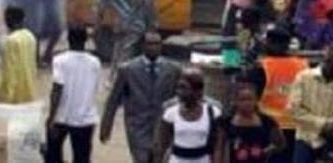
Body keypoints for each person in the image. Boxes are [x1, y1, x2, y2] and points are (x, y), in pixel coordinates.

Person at [101, 32, 182, 163]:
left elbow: (180, 97)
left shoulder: (173, 69)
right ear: (143, 46)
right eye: (150, 44)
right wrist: (106, 125)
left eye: (157, 44)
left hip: (163, 126)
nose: (154, 47)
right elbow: (113, 100)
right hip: (138, 127)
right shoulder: (128, 69)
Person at [47, 25, 102, 163]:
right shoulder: (95, 62)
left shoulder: (59, 60)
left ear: (68, 39)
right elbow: (95, 89)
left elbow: (57, 89)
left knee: (53, 155)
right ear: (86, 40)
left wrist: (51, 117)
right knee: (82, 158)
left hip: (62, 117)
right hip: (85, 119)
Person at [289, 50, 333, 163]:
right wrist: (324, 124)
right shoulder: (304, 77)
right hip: (306, 137)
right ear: (328, 62)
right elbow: (294, 110)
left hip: (332, 139)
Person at [155, 68, 224, 163]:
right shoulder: (170, 113)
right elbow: (161, 146)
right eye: (178, 87)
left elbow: (218, 146)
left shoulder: (213, 112)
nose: (178, 91)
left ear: (197, 90)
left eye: (183, 87)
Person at [222, 81, 285, 163]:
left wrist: (264, 152)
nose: (247, 103)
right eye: (242, 100)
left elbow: (280, 144)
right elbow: (219, 148)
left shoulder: (267, 121)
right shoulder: (227, 122)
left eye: (250, 99)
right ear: (236, 101)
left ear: (256, 100)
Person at [0, 6, 38, 105]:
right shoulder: (30, 36)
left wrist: (5, 97)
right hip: (29, 92)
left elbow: (10, 72)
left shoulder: (10, 41)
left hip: (15, 96)